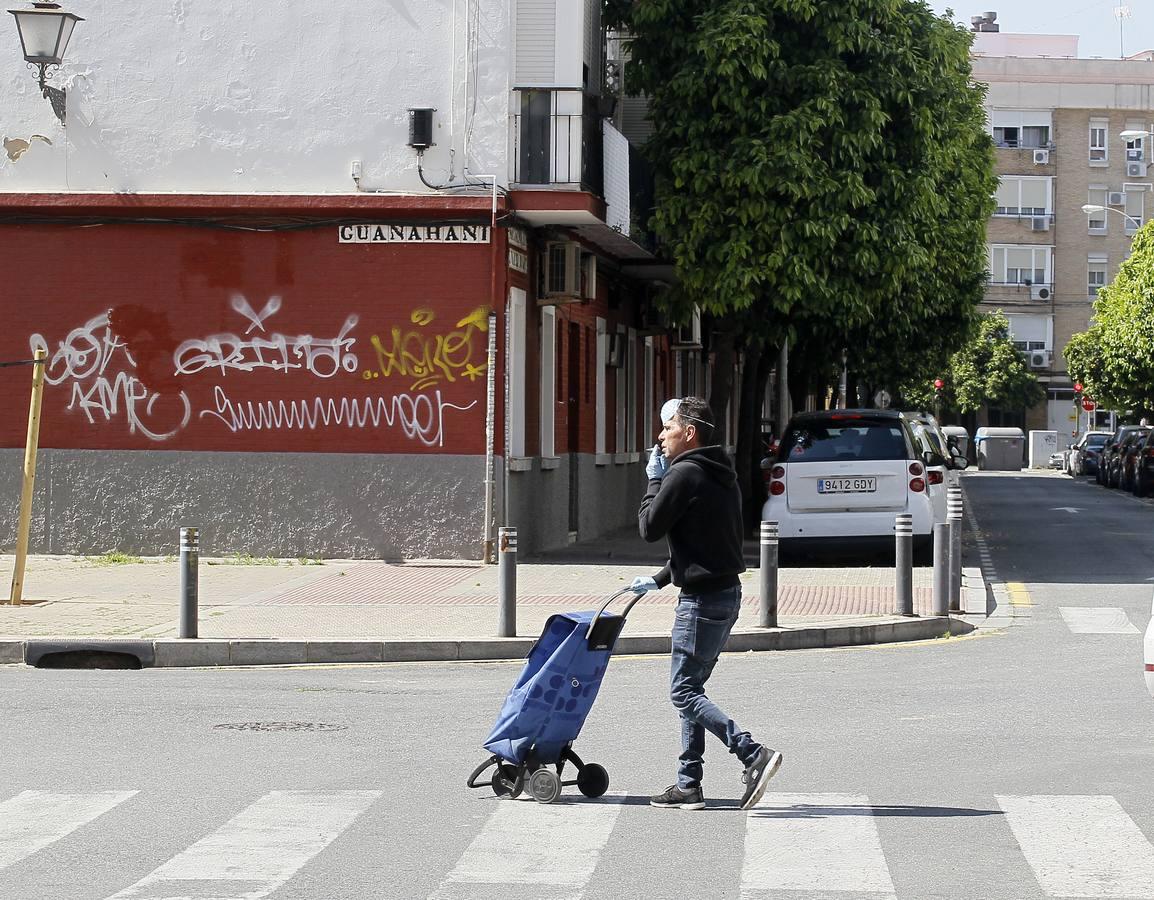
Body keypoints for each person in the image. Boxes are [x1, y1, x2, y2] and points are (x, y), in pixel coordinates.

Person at [633, 397, 783, 811]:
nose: (661, 437)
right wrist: (663, 578)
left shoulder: (682, 474)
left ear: (690, 432)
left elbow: (648, 527)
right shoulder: (722, 472)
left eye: (668, 429)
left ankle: (752, 754)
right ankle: (688, 784)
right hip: (725, 593)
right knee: (693, 689)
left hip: (701, 602)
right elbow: (707, 539)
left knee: (682, 692)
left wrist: (653, 483)